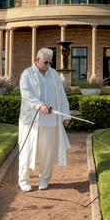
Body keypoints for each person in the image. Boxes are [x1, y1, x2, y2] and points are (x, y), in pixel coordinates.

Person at [18, 48, 71, 192]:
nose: (48, 65)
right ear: (37, 60)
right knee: (27, 151)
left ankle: (44, 179)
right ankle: (24, 180)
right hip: (31, 121)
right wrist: (39, 105)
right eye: (45, 62)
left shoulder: (54, 74)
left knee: (47, 152)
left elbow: (61, 95)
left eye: (50, 62)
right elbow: (26, 94)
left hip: (50, 121)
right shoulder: (27, 74)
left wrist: (65, 115)